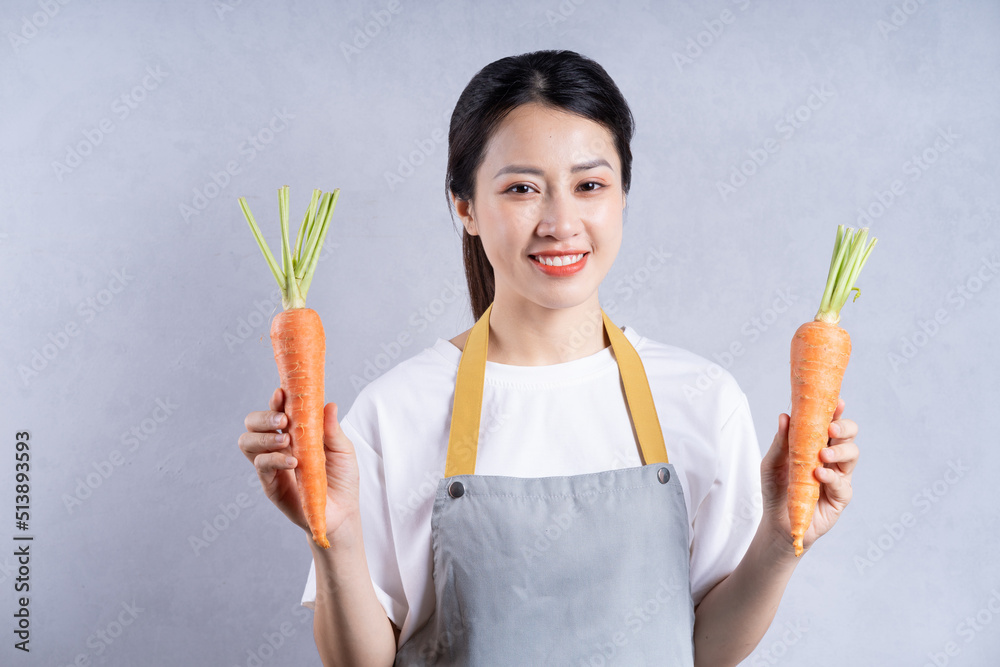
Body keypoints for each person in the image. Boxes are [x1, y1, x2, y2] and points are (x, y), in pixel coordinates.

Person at [239, 50, 860, 666]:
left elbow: (703, 652)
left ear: (622, 196)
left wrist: (782, 538)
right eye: (522, 189)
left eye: (590, 185)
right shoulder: (395, 411)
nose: (562, 223)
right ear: (466, 208)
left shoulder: (702, 398)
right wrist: (335, 535)